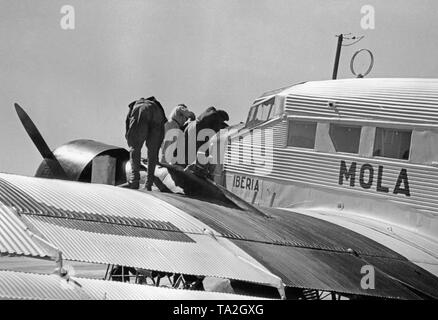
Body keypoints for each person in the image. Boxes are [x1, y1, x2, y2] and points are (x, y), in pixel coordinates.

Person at [125, 96, 167, 190]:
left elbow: (128, 128)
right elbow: (163, 125)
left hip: (141, 110)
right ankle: (148, 184)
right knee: (153, 151)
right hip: (158, 113)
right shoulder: (156, 105)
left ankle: (134, 180)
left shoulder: (136, 105)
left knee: (135, 147)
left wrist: (131, 141)